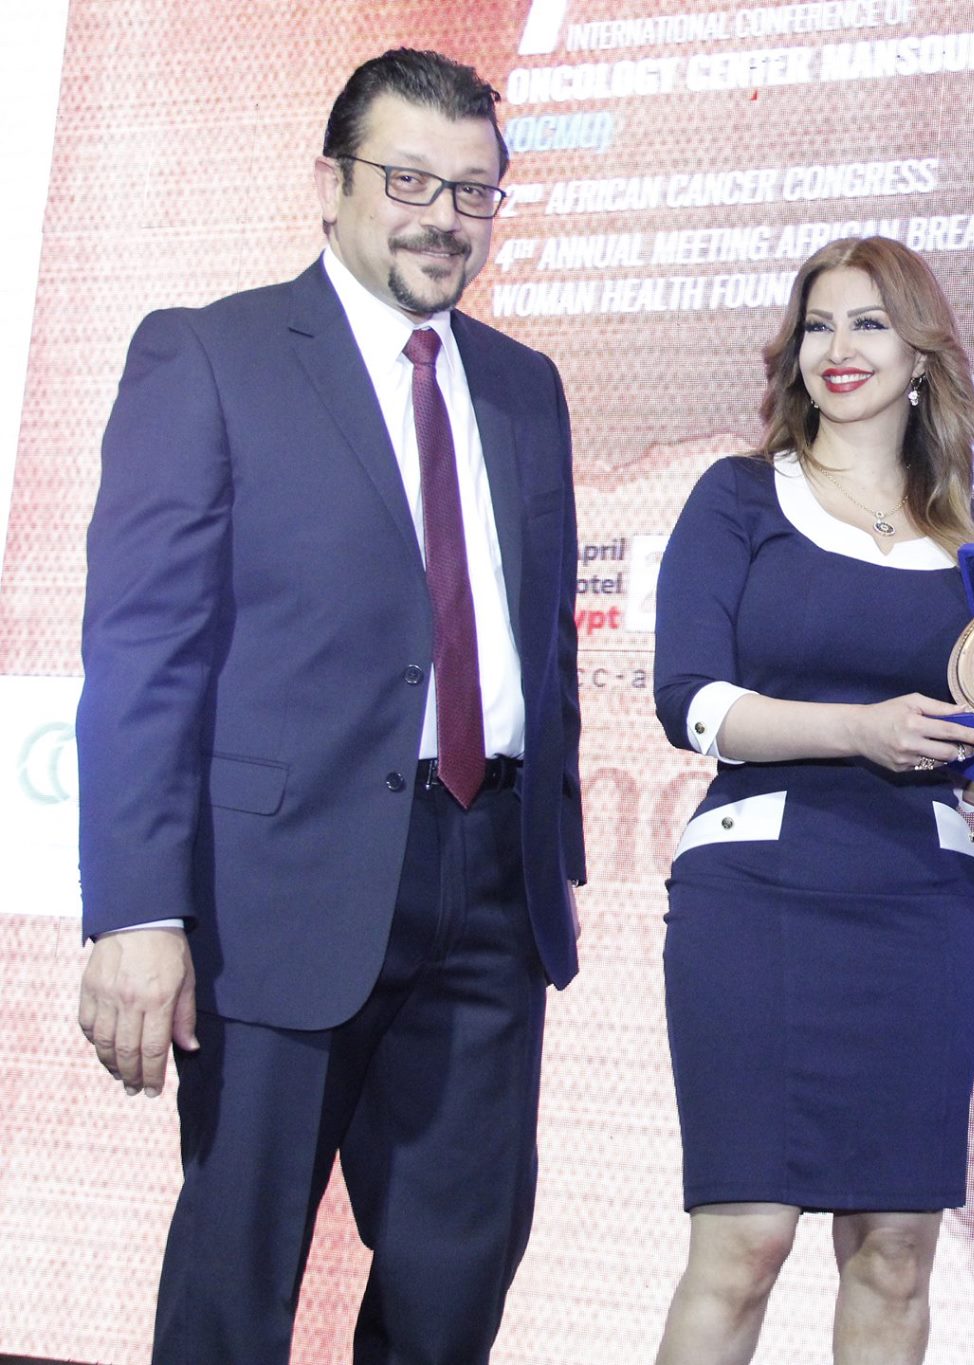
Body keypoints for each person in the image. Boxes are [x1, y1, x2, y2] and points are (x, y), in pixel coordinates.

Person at [72, 47, 584, 1364]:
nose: (442, 217)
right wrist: (137, 908)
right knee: (233, 1291)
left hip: (491, 888)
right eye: (408, 180)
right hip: (275, 893)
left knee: (453, 1291)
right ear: (329, 183)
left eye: (472, 191)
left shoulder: (525, 386)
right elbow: (142, 652)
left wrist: (552, 857)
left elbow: (538, 644)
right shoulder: (213, 354)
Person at [651, 236, 974, 1364]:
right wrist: (856, 730)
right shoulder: (738, 495)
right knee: (743, 1242)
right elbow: (691, 701)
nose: (838, 348)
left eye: (869, 322)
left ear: (921, 355)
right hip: (758, 891)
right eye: (818, 324)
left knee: (895, 1251)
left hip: (921, 900)